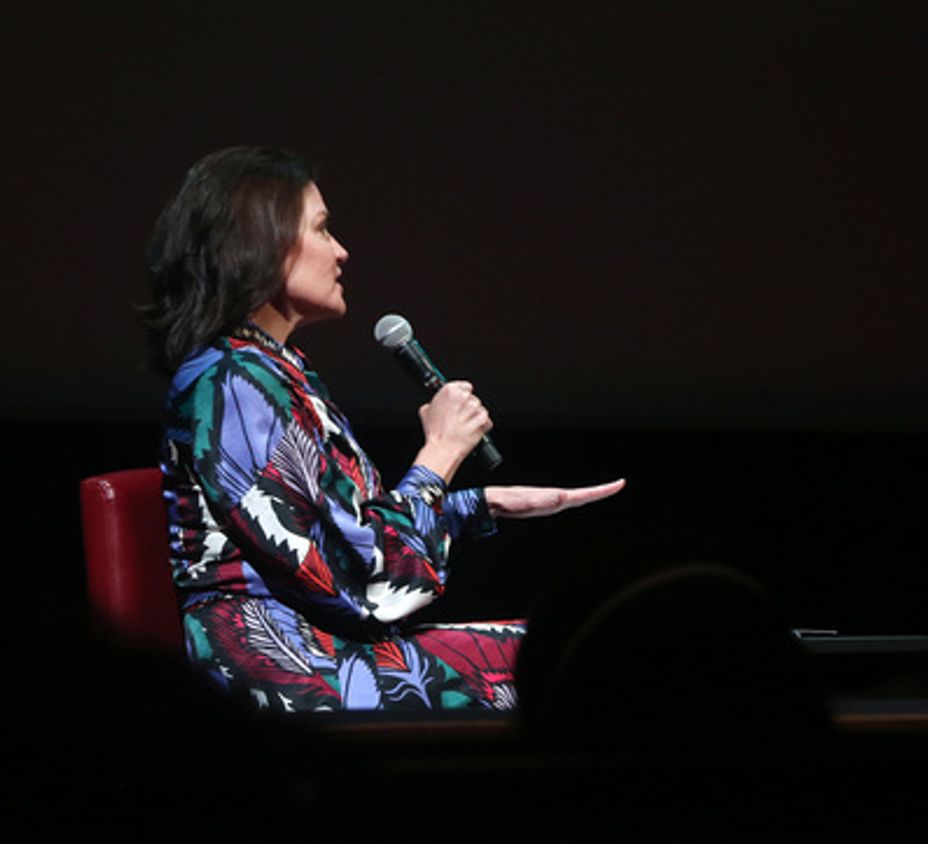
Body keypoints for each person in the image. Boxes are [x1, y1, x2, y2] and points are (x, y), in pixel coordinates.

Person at [143, 146, 624, 711]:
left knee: (580, 646)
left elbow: (347, 536)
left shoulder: (269, 370)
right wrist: (441, 453)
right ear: (263, 242)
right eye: (322, 229)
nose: (341, 251)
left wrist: (478, 504)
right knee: (579, 658)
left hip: (325, 647)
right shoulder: (232, 382)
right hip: (278, 667)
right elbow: (370, 585)